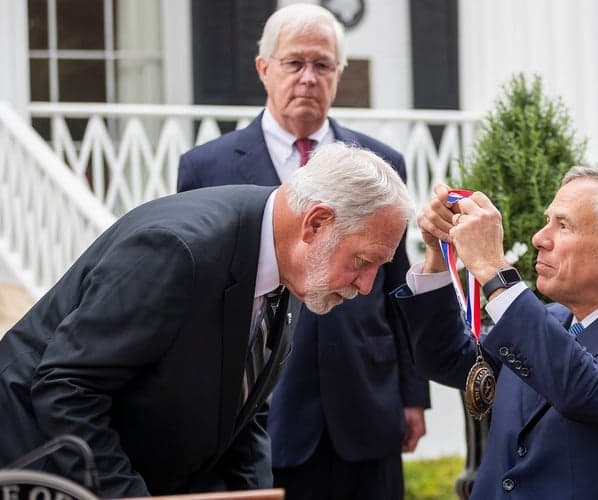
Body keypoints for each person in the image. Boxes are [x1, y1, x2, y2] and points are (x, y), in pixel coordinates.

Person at [0, 143, 414, 499]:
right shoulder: (178, 252)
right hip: (37, 461)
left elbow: (243, 413)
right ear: (316, 223)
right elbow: (66, 387)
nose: (366, 285)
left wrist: (248, 497)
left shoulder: (300, 266)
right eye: (362, 261)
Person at [177, 4, 429, 499]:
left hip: (367, 406)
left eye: (323, 65)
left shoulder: (383, 163)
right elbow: (198, 301)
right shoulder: (206, 168)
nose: (309, 78)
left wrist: (412, 393)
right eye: (295, 63)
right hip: (263, 415)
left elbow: (396, 285)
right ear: (263, 68)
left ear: (339, 73)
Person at [394, 166, 598, 499]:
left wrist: (493, 269)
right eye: (548, 221)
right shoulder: (555, 318)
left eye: (563, 225)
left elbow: (585, 387)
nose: (539, 238)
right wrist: (437, 260)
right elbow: (449, 359)